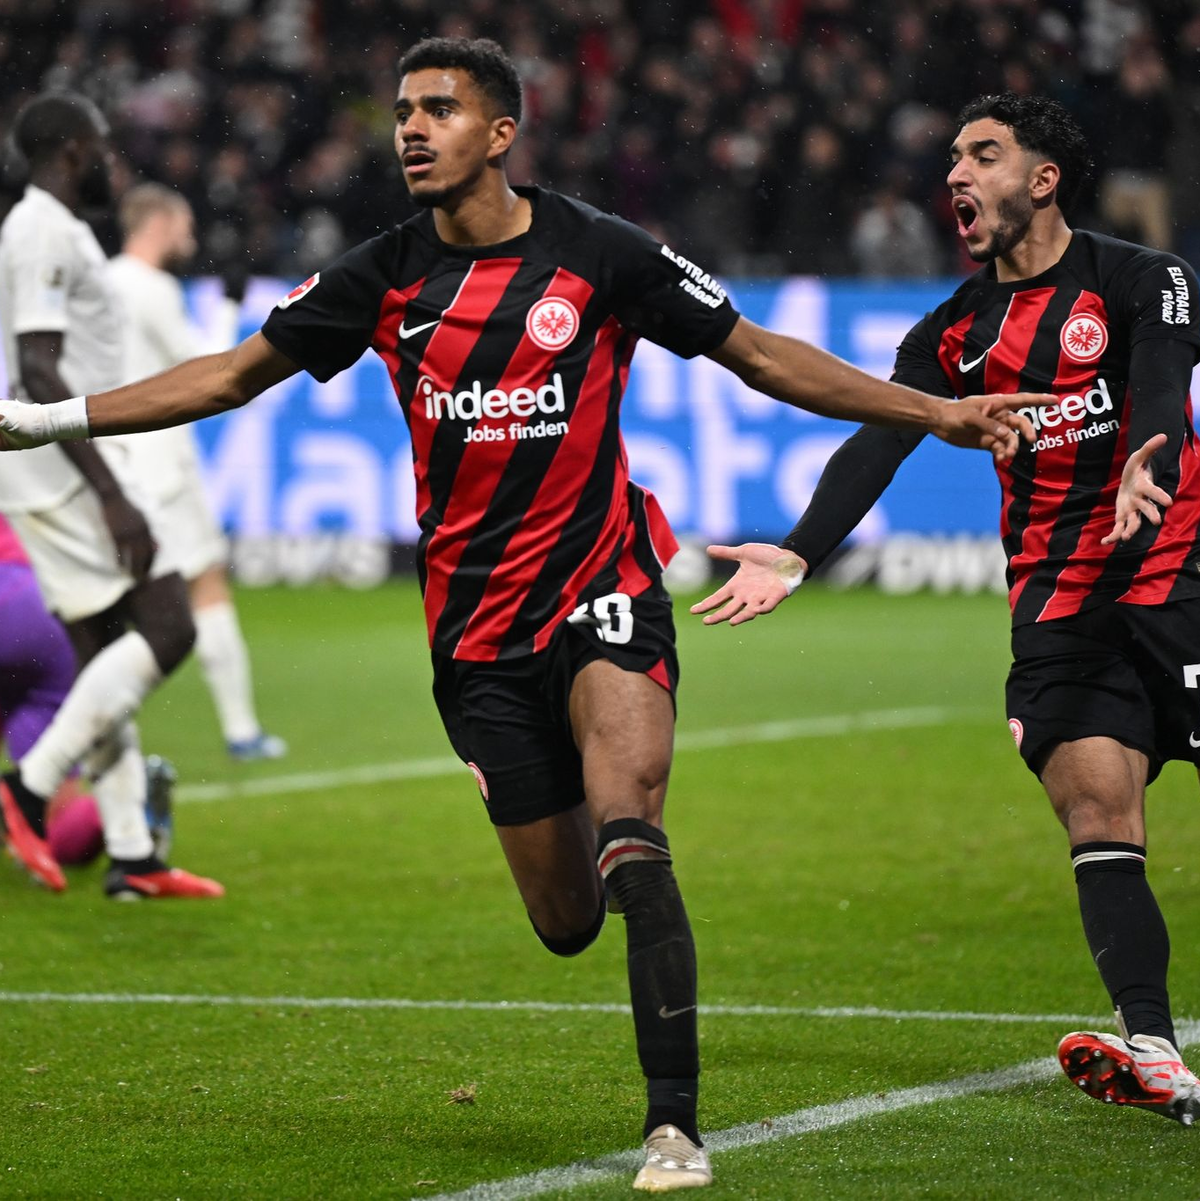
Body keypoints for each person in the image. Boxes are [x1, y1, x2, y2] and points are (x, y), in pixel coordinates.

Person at [0, 43, 1048, 1187]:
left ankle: (674, 1127)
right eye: (403, 110)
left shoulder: (601, 251)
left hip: (605, 587)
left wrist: (933, 410)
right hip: (475, 637)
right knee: (563, 919)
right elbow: (228, 376)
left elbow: (758, 354)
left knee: (631, 830)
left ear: (500, 133)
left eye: (439, 109)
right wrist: (50, 423)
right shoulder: (383, 274)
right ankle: (546, 818)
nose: (411, 127)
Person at [692, 93, 1200, 1127]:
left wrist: (1151, 455)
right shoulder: (954, 332)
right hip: (1059, 604)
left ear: (1043, 179)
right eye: (954, 158)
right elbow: (880, 438)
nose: (957, 175)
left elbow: (1162, 378)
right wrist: (798, 550)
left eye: (984, 155)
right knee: (1098, 810)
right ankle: (1153, 1044)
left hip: (1177, 578)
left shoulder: (1145, 278)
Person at [0, 91, 222, 900]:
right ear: (68, 148)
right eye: (99, 146)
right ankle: (30, 785)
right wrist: (110, 492)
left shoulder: (47, 230)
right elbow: (38, 366)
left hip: (47, 469)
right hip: (66, 470)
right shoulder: (43, 232)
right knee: (169, 625)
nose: (108, 162)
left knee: (103, 655)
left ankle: (132, 854)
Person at [107, 182, 286, 761]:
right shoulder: (153, 288)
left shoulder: (102, 281)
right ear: (157, 224)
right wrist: (232, 304)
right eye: (183, 225)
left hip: (108, 462)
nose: (190, 238)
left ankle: (94, 730)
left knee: (117, 606)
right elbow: (208, 365)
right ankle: (240, 732)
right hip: (161, 461)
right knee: (204, 586)